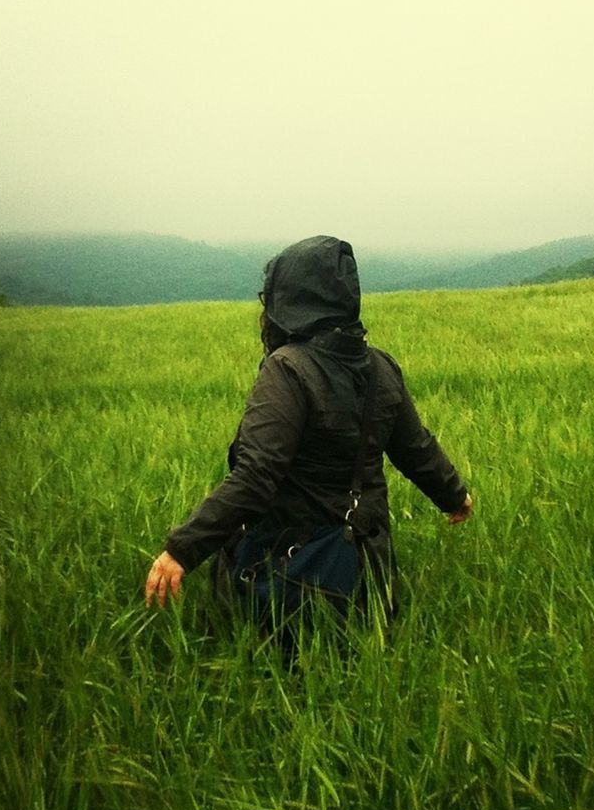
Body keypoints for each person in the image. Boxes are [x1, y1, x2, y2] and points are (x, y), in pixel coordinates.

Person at [145, 235, 472, 619]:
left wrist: (182, 549)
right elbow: (414, 448)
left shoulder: (288, 368)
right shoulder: (381, 367)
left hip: (294, 575)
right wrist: (454, 495)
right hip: (368, 577)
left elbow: (255, 475)